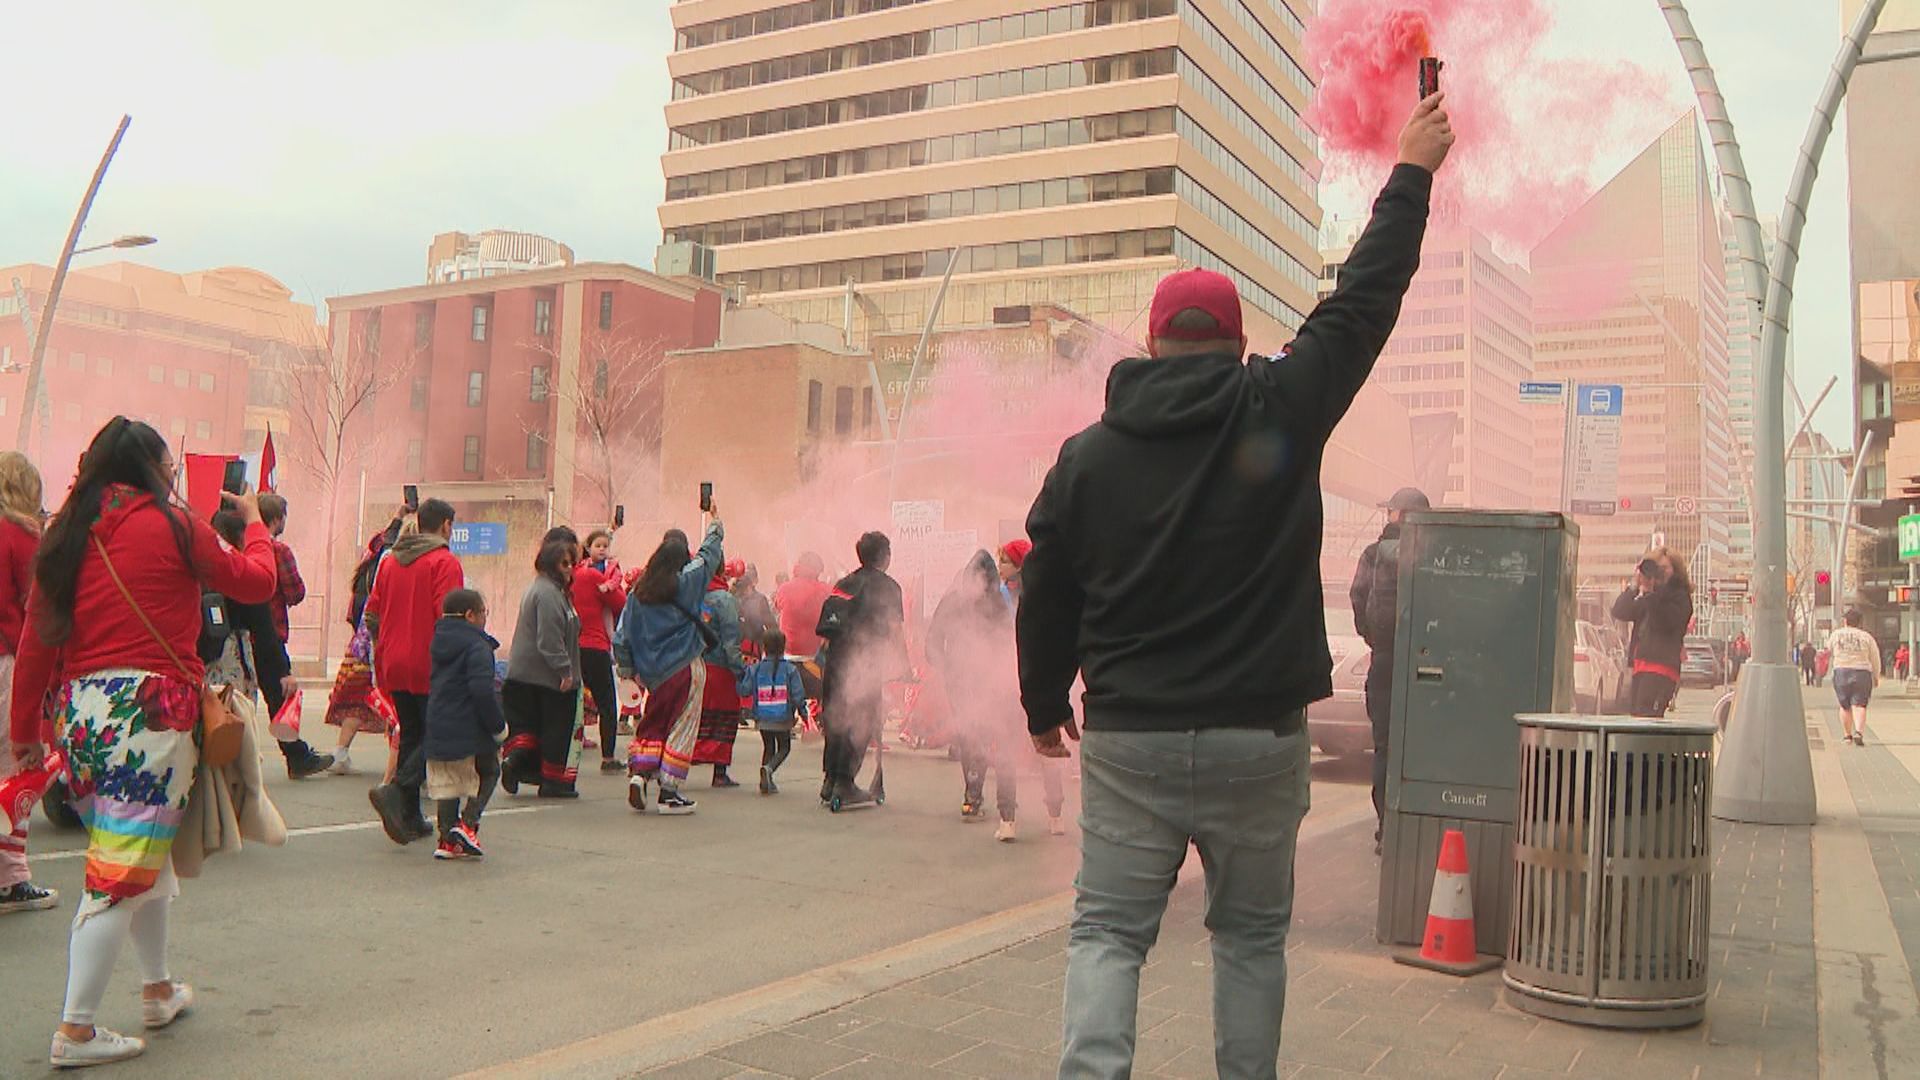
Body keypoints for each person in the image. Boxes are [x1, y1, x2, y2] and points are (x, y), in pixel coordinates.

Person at [1014, 96, 1451, 1080]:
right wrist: (1412, 171)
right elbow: (1363, 298)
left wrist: (1045, 707)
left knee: (1108, 937)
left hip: (1131, 743)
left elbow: (1047, 586)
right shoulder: (1283, 408)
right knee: (1250, 942)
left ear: (1153, 348)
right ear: (1239, 345)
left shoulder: (1085, 460)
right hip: (1261, 741)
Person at [9, 417, 281, 1068]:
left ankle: (158, 990)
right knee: (117, 874)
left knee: (139, 854)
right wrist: (258, 525)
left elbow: (35, 642)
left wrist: (23, 731)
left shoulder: (65, 533)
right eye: (171, 469)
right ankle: (75, 1030)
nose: (175, 479)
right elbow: (255, 582)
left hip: (82, 717)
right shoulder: (174, 523)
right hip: (151, 717)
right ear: (152, 471)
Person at [930, 550, 1053, 842]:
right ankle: (979, 794)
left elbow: (933, 640)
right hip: (985, 679)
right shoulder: (997, 601)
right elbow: (1010, 638)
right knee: (986, 732)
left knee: (969, 732)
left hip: (961, 678)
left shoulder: (953, 599)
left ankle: (972, 793)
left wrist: (944, 667)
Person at [365, 498, 465, 844]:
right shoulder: (444, 562)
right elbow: (449, 617)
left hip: (394, 659)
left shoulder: (390, 562)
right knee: (436, 733)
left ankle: (409, 815)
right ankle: (398, 789)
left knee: (411, 733)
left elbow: (371, 613)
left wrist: (386, 645)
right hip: (429, 661)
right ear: (446, 526)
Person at [616, 511, 725, 815]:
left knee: (654, 721)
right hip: (686, 667)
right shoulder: (687, 582)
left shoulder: (637, 593)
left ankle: (640, 774)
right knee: (682, 726)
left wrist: (627, 671)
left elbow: (621, 637)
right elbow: (708, 556)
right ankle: (669, 790)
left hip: (653, 675)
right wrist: (716, 523)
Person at [1350, 486, 1429, 855]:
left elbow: (1358, 599)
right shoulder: (1432, 552)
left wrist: (1375, 640)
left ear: (1400, 514)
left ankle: (1387, 827)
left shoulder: (1371, 554)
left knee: (1384, 745)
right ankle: (1418, 823)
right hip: (1425, 662)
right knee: (1419, 745)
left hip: (1383, 661)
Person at [234, 493, 333, 780]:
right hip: (270, 631)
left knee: (242, 695)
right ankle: (297, 756)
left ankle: (293, 754)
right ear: (277, 519)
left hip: (238, 635)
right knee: (281, 695)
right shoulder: (278, 551)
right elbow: (296, 592)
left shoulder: (238, 546)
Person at [0, 450, 58, 916]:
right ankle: (12, 878)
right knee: (15, 772)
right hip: (7, 663)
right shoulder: (22, 537)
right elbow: (37, 614)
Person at [818, 531, 908, 808]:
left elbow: (826, 633)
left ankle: (830, 779)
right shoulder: (889, 587)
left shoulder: (844, 583)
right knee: (861, 720)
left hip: (836, 659)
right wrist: (904, 664)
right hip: (866, 663)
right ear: (885, 556)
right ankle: (845, 784)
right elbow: (894, 629)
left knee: (836, 718)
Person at [424, 589, 506, 859]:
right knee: (490, 770)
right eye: (483, 612)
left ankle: (447, 839)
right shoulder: (477, 645)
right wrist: (497, 726)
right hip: (468, 724)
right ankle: (468, 825)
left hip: (438, 720)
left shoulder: (438, 641)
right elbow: (482, 690)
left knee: (448, 780)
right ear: (470, 615)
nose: (485, 618)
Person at [501, 539, 585, 798]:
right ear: (550, 564)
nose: (570, 568)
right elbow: (549, 638)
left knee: (529, 729)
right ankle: (554, 782)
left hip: (525, 674)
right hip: (545, 677)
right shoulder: (548, 593)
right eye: (564, 563)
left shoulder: (548, 590)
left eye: (572, 563)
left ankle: (516, 765)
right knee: (556, 730)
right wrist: (565, 671)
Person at [325, 526, 401, 773]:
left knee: (357, 700)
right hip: (380, 645)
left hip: (360, 646)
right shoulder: (393, 569)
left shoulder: (367, 573)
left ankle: (340, 752)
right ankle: (397, 762)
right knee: (396, 703)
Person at [1612, 547, 1695, 718]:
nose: (1659, 573)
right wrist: (1635, 586)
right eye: (1656, 568)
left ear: (1675, 571)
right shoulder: (1647, 595)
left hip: (1662, 669)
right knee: (1636, 719)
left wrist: (1650, 594)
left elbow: (1663, 623)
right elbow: (1620, 611)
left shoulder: (1680, 597)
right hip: (1640, 667)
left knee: (1647, 719)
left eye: (1664, 569)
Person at [571, 529, 627, 773]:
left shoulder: (571, 576)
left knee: (573, 702)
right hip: (595, 645)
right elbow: (620, 603)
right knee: (606, 704)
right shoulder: (595, 576)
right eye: (598, 545)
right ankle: (608, 757)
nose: (603, 549)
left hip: (573, 646)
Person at [695, 561, 746, 787]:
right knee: (724, 718)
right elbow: (731, 640)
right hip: (720, 669)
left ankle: (672, 767)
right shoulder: (725, 600)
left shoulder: (691, 595)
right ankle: (719, 772)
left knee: (693, 717)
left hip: (694, 666)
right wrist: (739, 668)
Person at [737, 628, 808, 794]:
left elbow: (744, 690)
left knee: (768, 747)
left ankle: (765, 781)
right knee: (784, 747)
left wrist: (739, 675)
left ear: (764, 647)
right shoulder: (790, 670)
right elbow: (798, 695)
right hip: (783, 718)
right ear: (783, 647)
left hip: (762, 718)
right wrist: (803, 714)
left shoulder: (755, 669)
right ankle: (769, 769)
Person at [776, 551, 832, 719]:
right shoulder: (826, 590)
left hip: (787, 655)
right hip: (814, 659)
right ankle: (816, 714)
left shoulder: (784, 588)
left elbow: (779, 607)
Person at [1828, 609, 1880, 746]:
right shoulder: (1866, 637)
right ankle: (1859, 732)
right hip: (1862, 672)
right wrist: (1876, 676)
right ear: (1859, 622)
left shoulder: (1836, 635)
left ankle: (1847, 736)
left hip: (1841, 671)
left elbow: (1828, 652)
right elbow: (1875, 658)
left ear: (1845, 621)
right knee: (1860, 705)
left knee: (1844, 706)